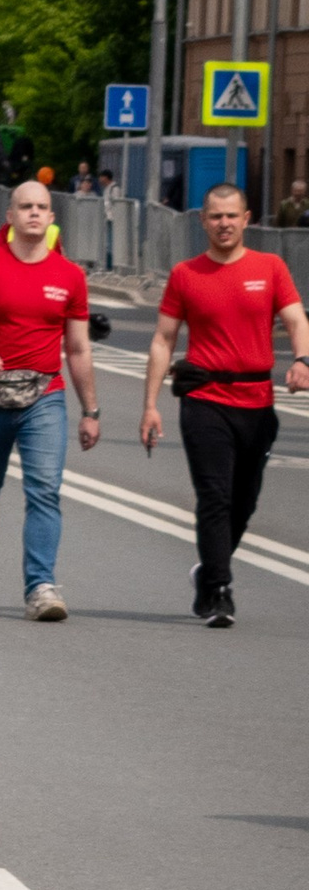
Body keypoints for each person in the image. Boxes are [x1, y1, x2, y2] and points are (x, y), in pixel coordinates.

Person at [143, 177, 309, 625]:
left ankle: (209, 569)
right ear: (202, 221)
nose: (223, 224)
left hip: (256, 401)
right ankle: (219, 589)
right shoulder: (186, 274)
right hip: (204, 399)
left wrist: (303, 360)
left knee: (243, 500)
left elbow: (295, 318)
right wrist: (151, 404)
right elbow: (163, 339)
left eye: (231, 216)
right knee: (214, 495)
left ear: (247, 220)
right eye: (215, 216)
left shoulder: (270, 267)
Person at [0, 177, 100, 621]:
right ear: (10, 216)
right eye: (25, 206)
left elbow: (79, 348)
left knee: (45, 491)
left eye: (41, 207)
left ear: (51, 217)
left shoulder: (69, 276)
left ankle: (41, 588)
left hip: (44, 397)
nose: (34, 213)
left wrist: (90, 411)